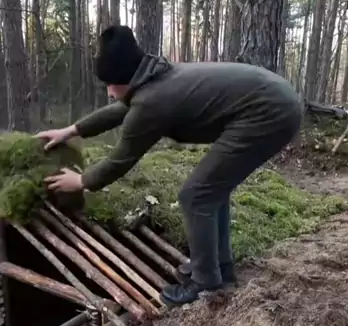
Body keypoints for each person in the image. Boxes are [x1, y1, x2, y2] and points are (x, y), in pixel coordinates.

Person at [38, 25, 302, 307]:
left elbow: (120, 160)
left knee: (196, 195)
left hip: (269, 114)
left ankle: (205, 282)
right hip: (274, 100)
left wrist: (81, 181)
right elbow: (122, 108)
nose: (109, 92)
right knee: (212, 191)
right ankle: (219, 267)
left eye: (110, 84)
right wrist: (72, 130)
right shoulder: (153, 76)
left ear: (124, 78)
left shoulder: (153, 102)